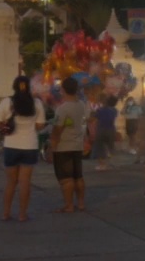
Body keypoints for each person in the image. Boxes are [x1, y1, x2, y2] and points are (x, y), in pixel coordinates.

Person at [0, 76, 46, 222]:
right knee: (25, 182)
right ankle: (22, 214)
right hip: (29, 146)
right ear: (28, 86)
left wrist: (5, 123)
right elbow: (40, 125)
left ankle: (6, 213)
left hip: (11, 146)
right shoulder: (37, 103)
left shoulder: (7, 102)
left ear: (14, 86)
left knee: (11, 182)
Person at [51, 76, 89, 213]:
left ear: (63, 90)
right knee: (78, 176)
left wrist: (52, 146)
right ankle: (81, 203)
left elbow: (57, 129)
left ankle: (69, 205)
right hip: (77, 145)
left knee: (66, 178)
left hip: (64, 146)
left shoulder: (63, 108)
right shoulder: (81, 105)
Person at [93, 95, 119, 170]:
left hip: (101, 129)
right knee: (111, 146)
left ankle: (102, 165)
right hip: (111, 129)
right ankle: (111, 163)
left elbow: (95, 117)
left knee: (99, 146)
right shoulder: (115, 110)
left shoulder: (100, 110)